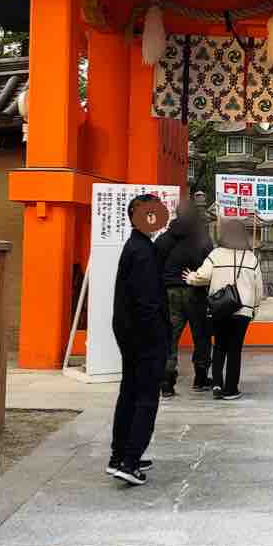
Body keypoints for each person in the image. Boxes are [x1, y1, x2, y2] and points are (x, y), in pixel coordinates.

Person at [108, 193, 171, 486]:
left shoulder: (136, 245)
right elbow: (148, 303)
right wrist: (158, 338)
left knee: (130, 393)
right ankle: (130, 461)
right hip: (146, 336)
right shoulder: (143, 252)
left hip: (128, 333)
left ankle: (119, 454)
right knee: (146, 397)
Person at [186, 218, 263, 400]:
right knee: (235, 349)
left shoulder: (216, 254)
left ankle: (217, 385)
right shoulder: (251, 257)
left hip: (220, 308)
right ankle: (231, 389)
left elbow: (203, 276)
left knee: (219, 346)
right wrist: (254, 308)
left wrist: (191, 277)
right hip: (243, 310)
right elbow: (258, 287)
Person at [153, 201, 213, 396]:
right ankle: (201, 377)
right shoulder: (202, 239)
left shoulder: (163, 240)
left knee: (170, 337)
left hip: (169, 293)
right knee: (201, 335)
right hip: (195, 292)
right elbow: (210, 267)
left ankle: (167, 381)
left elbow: (154, 267)